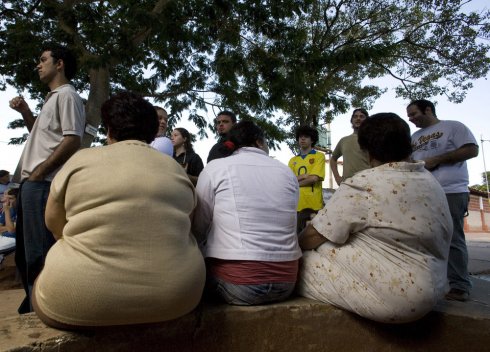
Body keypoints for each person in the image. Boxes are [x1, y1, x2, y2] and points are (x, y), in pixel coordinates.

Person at [32, 91, 205, 330]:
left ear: (109, 130)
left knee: (41, 282)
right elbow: (189, 228)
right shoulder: (176, 170)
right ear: (151, 131)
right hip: (178, 297)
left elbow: (53, 224)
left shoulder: (80, 160)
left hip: (77, 298)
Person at [297, 113, 452, 324]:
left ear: (368, 153)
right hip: (436, 286)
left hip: (400, 299)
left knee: (299, 259)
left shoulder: (366, 182)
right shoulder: (431, 181)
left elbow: (311, 237)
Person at [9, 43, 86, 313]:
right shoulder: (51, 98)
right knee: (25, 255)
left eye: (43, 59)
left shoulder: (67, 96)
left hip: (41, 184)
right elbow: (41, 137)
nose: (38, 65)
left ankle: (44, 309)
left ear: (60, 63)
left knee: (39, 253)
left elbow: (73, 139)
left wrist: (40, 172)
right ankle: (34, 304)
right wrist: (27, 113)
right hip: (31, 184)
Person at [193, 121, 301, 305]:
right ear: (259, 142)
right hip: (286, 284)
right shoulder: (287, 172)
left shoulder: (216, 168)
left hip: (237, 285)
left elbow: (199, 227)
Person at [408, 99, 479, 302]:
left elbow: (472, 150)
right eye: (409, 116)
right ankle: (429, 280)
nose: (411, 119)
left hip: (451, 191)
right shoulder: (414, 137)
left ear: (428, 109)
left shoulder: (453, 127)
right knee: (424, 235)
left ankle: (459, 285)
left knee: (453, 237)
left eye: (414, 114)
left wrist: (437, 159)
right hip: (423, 192)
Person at [288, 125, 325, 233]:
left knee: (313, 236)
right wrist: (303, 176)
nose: (302, 139)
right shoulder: (293, 160)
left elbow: (314, 178)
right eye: (300, 137)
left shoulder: (319, 156)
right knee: (297, 237)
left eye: (306, 137)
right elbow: (288, 180)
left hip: (313, 205)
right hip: (296, 205)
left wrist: (296, 181)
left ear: (312, 139)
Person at [330, 108, 371, 185]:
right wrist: (337, 178)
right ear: (352, 120)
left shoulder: (373, 139)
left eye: (361, 116)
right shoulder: (343, 140)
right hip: (347, 185)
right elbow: (333, 159)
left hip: (368, 184)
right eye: (355, 116)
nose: (358, 118)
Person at [0, 188, 18, 254]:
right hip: (3, 236)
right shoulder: (9, 209)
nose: (8, 201)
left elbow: (11, 230)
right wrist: (9, 227)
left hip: (13, 239)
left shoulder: (21, 211)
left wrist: (7, 211)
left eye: (11, 198)